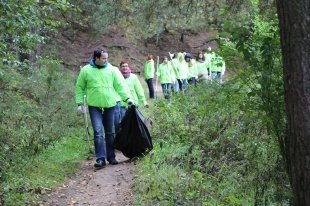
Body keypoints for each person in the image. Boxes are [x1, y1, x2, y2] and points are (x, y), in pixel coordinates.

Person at [75, 48, 133, 168]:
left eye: (107, 58)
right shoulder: (86, 70)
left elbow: (120, 85)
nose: (106, 60)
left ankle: (111, 156)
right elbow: (79, 87)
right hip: (94, 106)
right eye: (103, 58)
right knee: (97, 131)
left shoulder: (113, 70)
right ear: (96, 58)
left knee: (110, 132)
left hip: (110, 104)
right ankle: (100, 158)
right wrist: (80, 103)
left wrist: (127, 98)